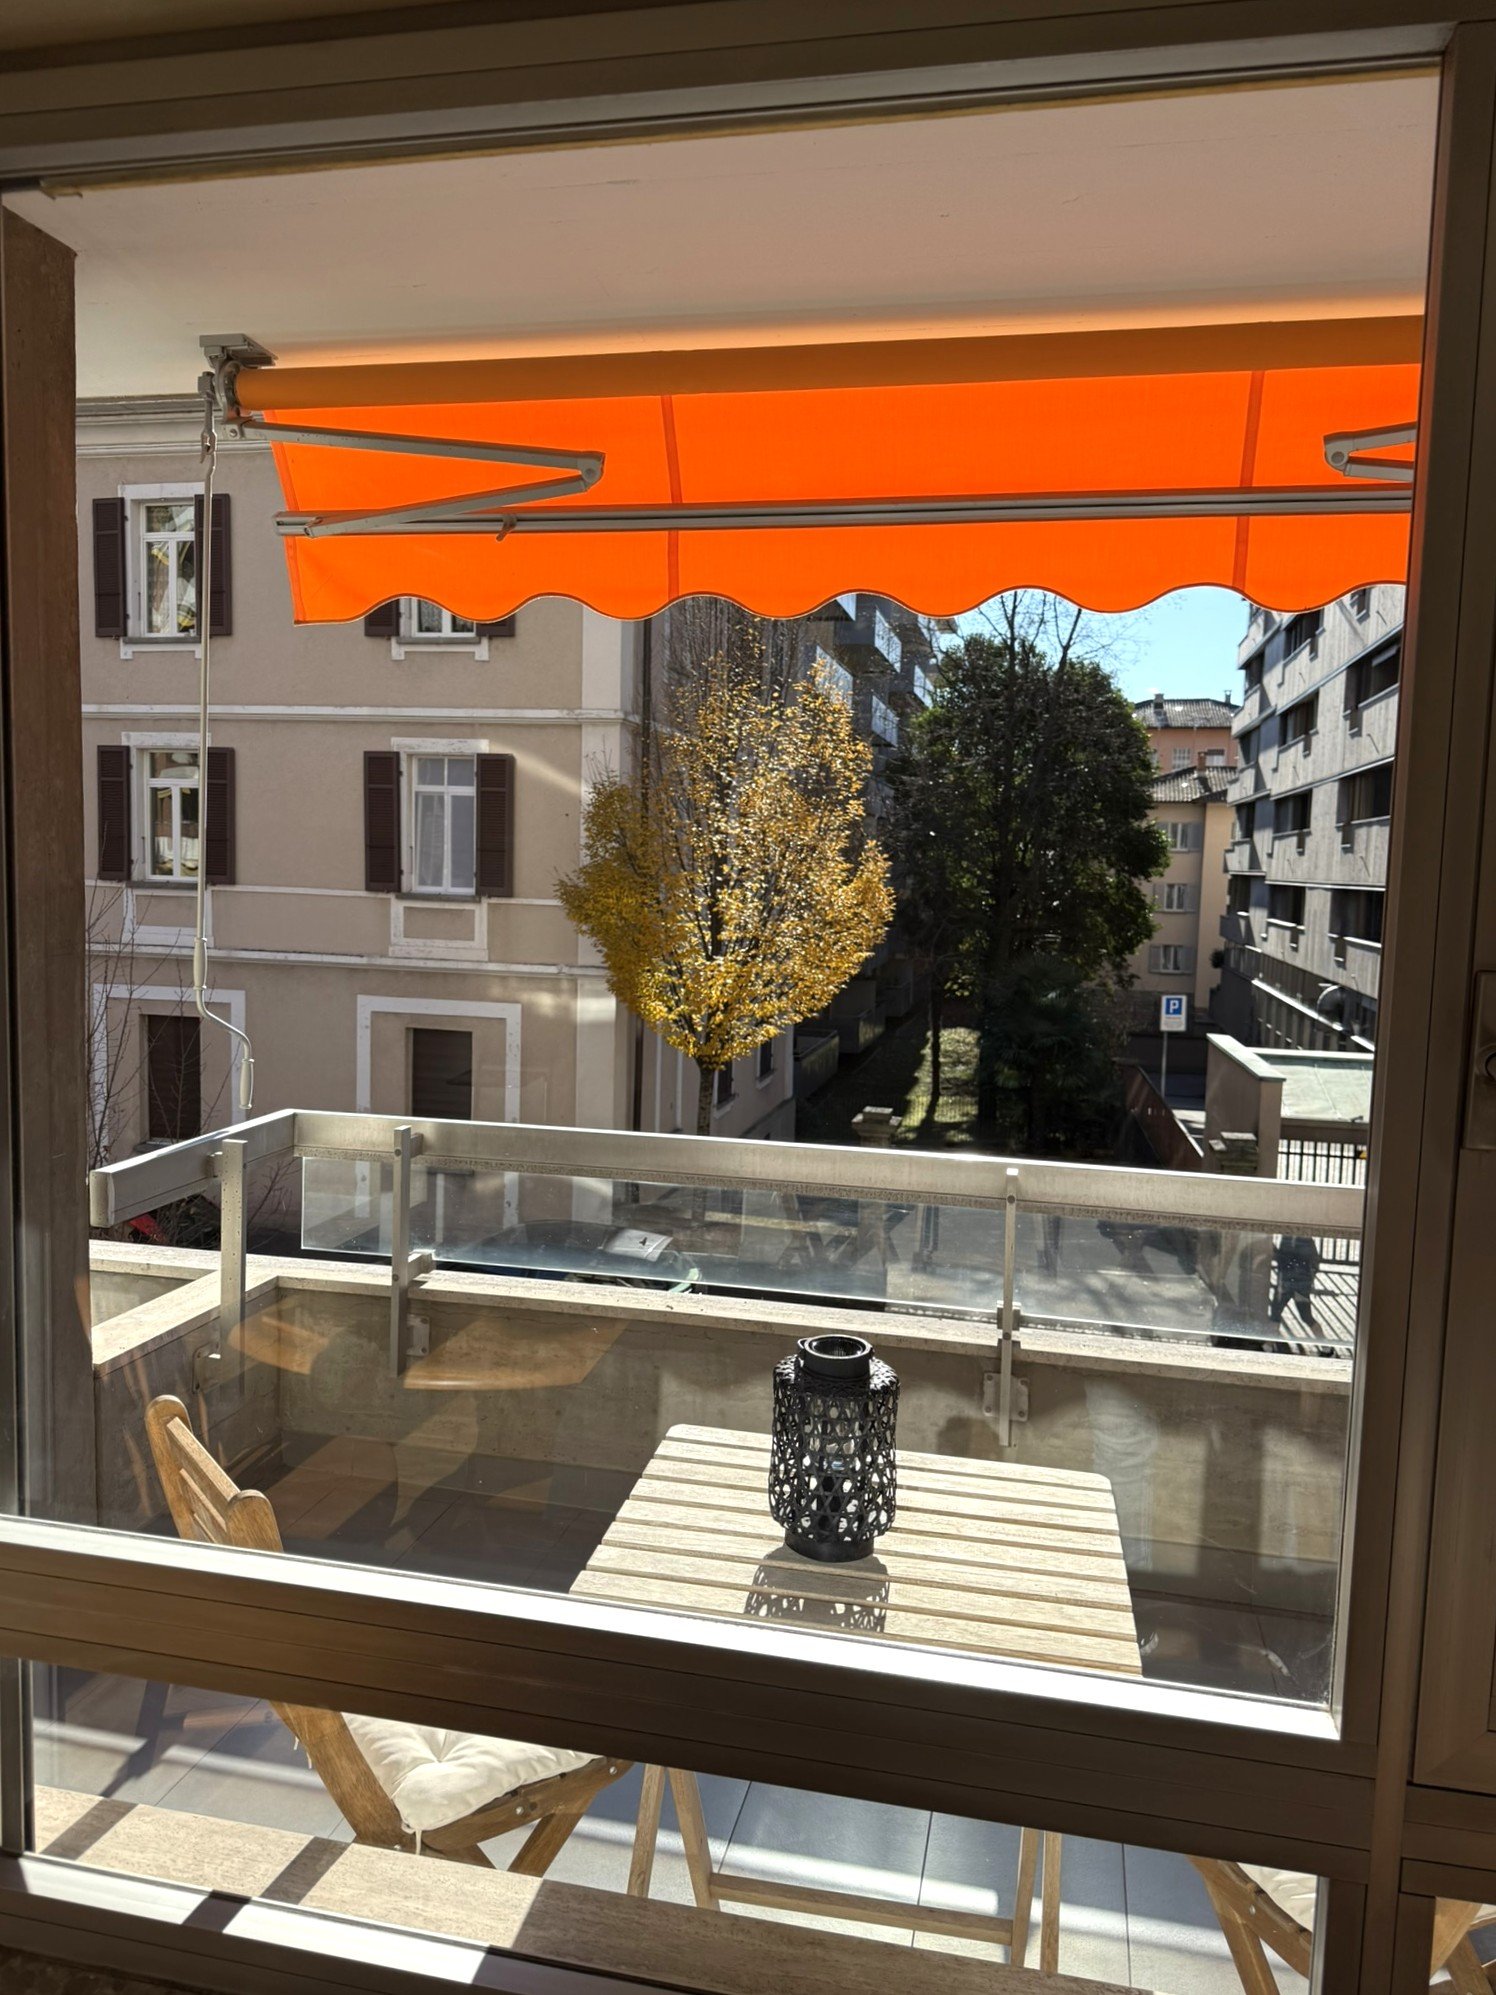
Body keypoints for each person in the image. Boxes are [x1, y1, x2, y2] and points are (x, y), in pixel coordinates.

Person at [1269, 1233, 1322, 1327]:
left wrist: (1274, 1251)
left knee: (1275, 1313)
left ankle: (1271, 1340)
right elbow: (1314, 1263)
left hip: (1287, 1283)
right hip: (1299, 1284)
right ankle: (1321, 1339)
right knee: (1305, 1315)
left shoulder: (1289, 1238)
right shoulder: (1306, 1240)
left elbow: (1284, 1259)